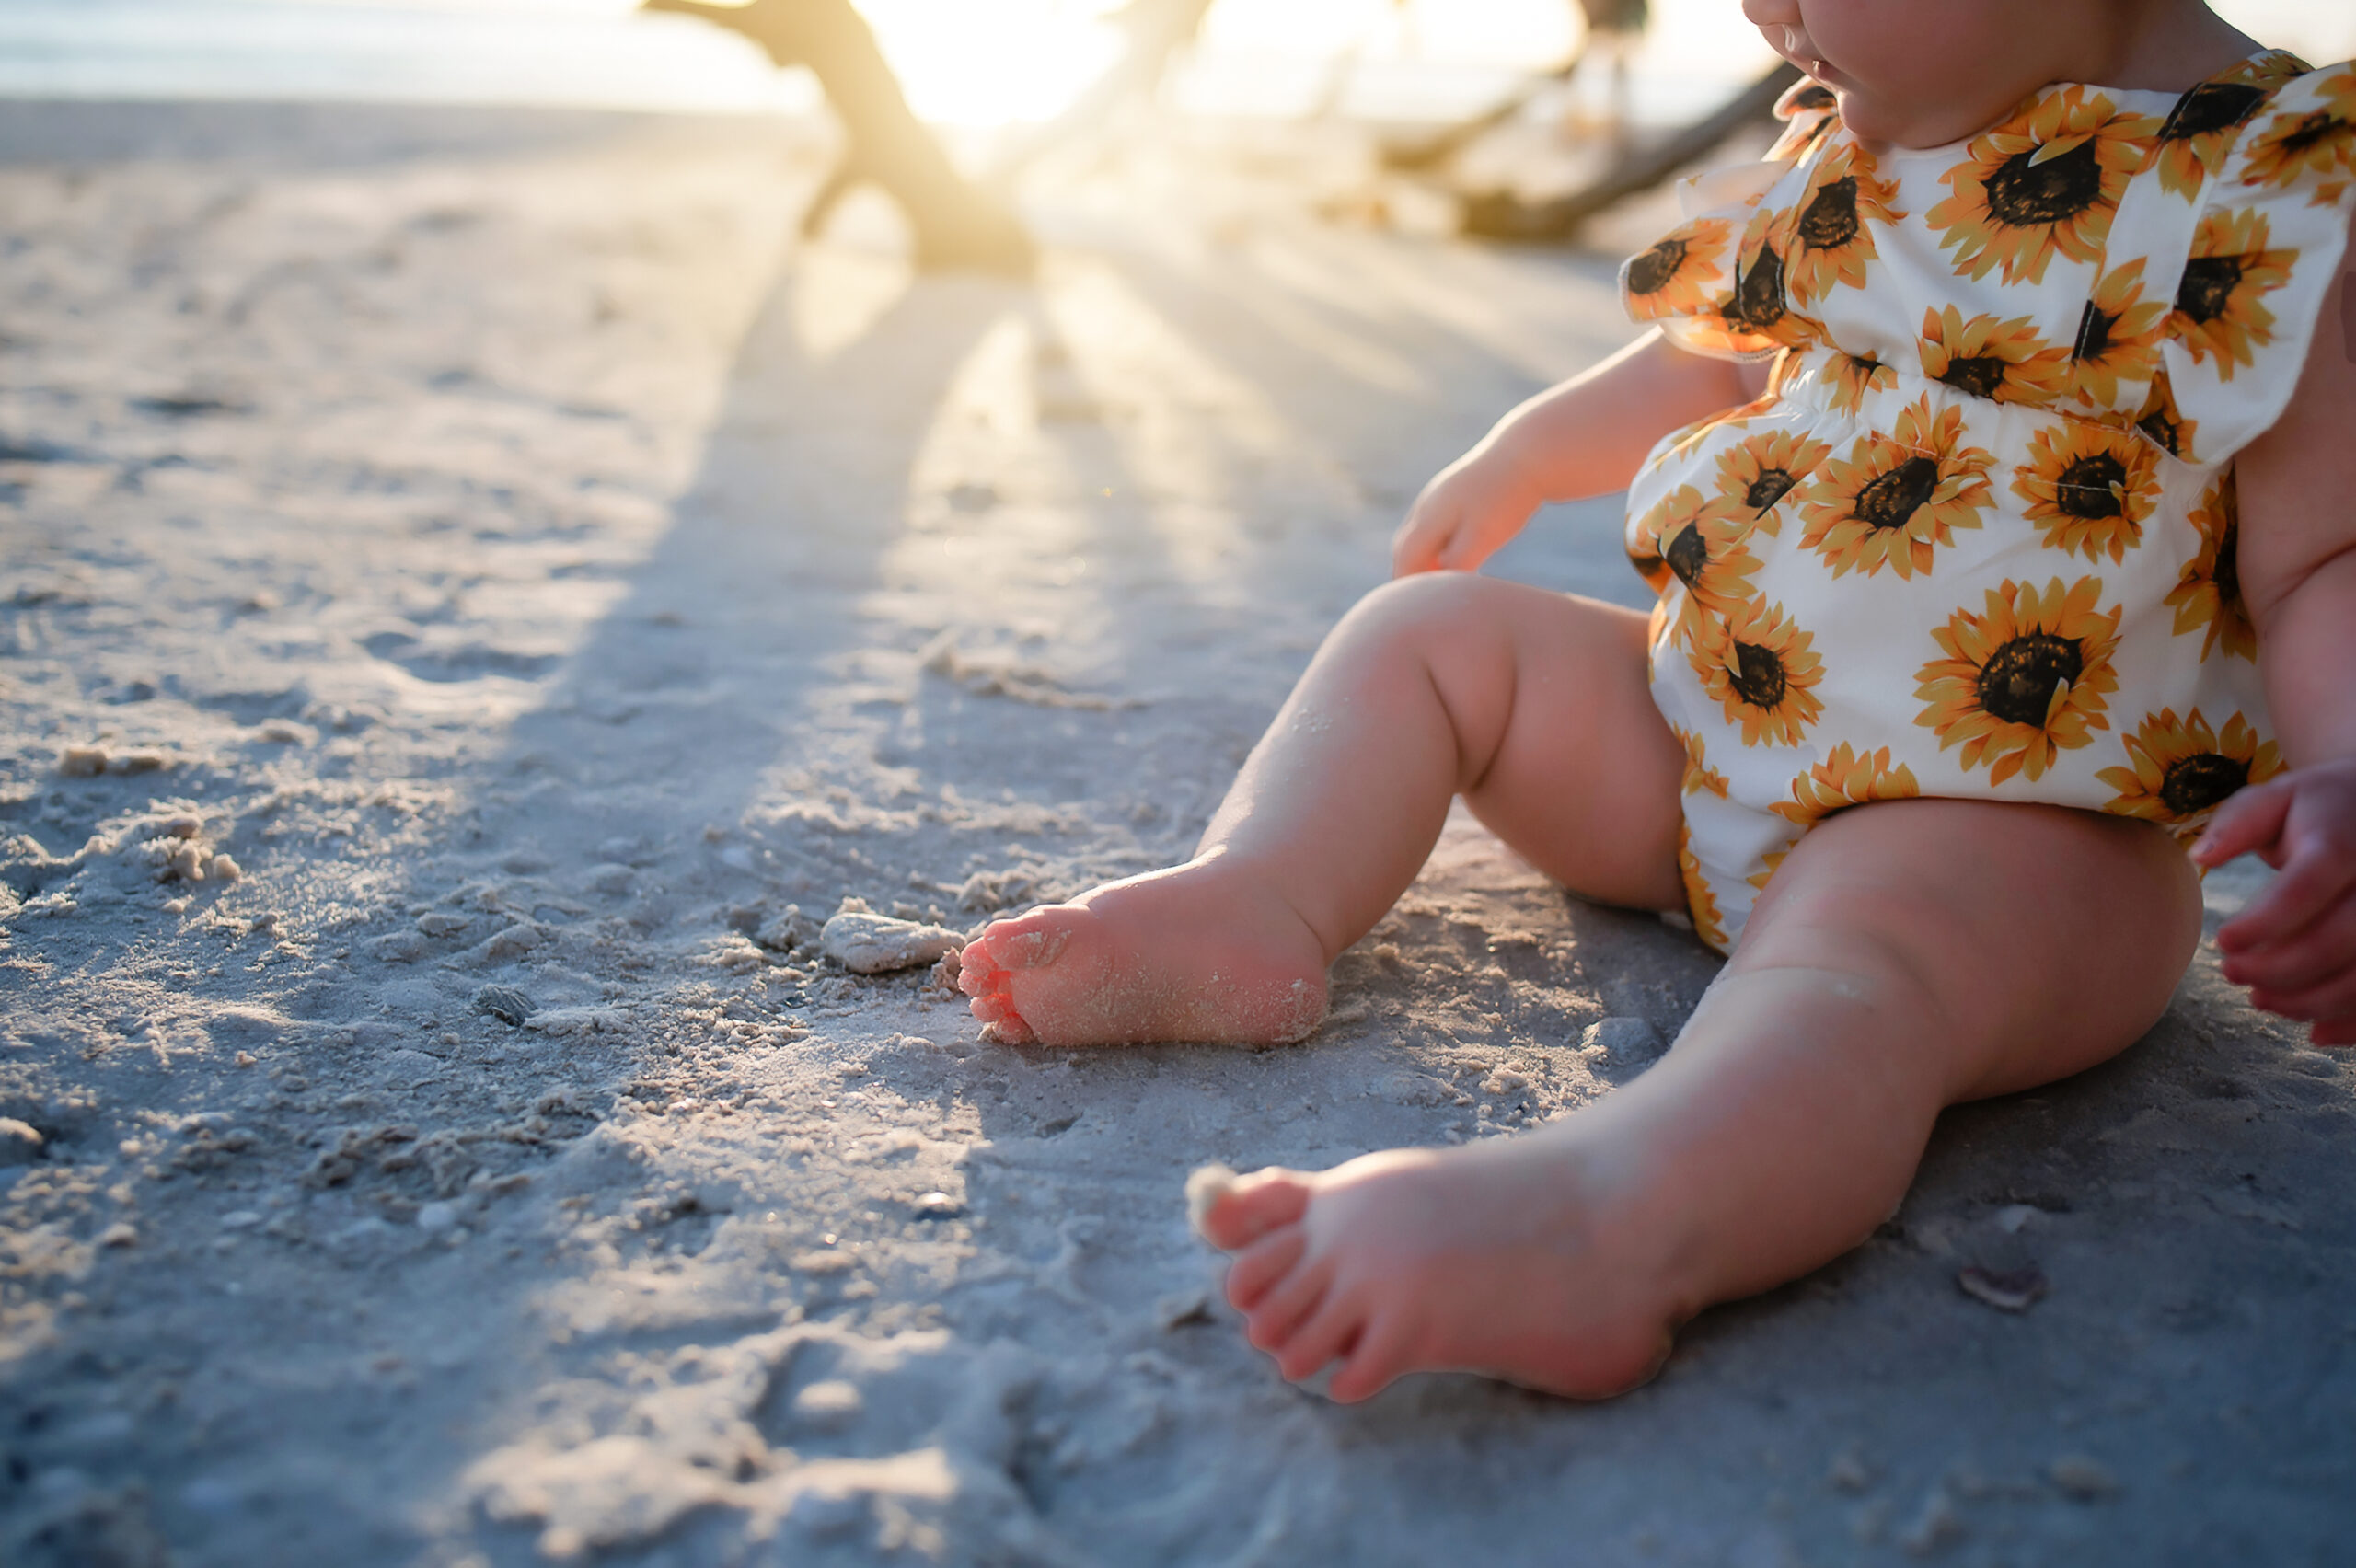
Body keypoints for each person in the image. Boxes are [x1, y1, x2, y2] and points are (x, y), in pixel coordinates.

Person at [959, 0, 2356, 1403]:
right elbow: (1717, 353)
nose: (1765, 7)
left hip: (2017, 837)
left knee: (1864, 971)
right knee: (1434, 638)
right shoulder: (1862, 132)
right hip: (1703, 735)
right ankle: (1260, 896)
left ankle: (1610, 1224)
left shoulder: (2267, 194)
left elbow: (2323, 560)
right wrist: (1525, 450)